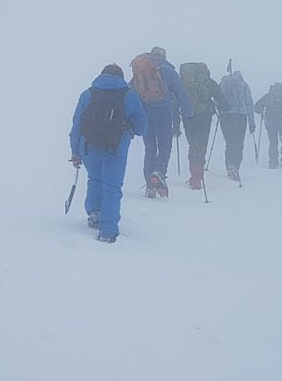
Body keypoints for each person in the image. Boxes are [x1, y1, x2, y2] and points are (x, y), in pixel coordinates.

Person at [70, 64, 148, 242]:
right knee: (112, 187)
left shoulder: (88, 94)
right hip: (116, 148)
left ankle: (95, 213)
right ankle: (108, 231)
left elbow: (76, 126)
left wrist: (75, 152)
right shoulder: (130, 95)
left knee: (95, 179)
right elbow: (142, 127)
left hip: (89, 147)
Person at [129, 46, 192, 197]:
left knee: (150, 148)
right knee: (165, 146)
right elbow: (181, 93)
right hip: (163, 113)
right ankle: (158, 172)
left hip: (145, 114)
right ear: (164, 56)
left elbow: (131, 92)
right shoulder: (168, 71)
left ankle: (150, 185)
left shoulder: (140, 71)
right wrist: (187, 113)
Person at [178, 61, 229, 189]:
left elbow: (176, 98)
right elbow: (221, 98)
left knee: (192, 145)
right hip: (204, 116)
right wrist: (225, 108)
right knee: (201, 145)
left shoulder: (184, 83)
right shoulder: (208, 82)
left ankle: (193, 176)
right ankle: (197, 178)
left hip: (187, 116)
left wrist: (175, 120)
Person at [217, 69, 256, 180]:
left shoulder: (223, 84)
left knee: (230, 142)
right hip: (241, 117)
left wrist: (221, 111)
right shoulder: (244, 85)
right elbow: (249, 103)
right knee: (239, 143)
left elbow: (217, 99)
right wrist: (251, 122)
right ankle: (235, 166)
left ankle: (230, 165)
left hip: (226, 117)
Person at [254, 82, 282, 169]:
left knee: (273, 142)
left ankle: (273, 162)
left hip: (271, 123)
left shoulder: (268, 96)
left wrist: (261, 112)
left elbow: (256, 107)